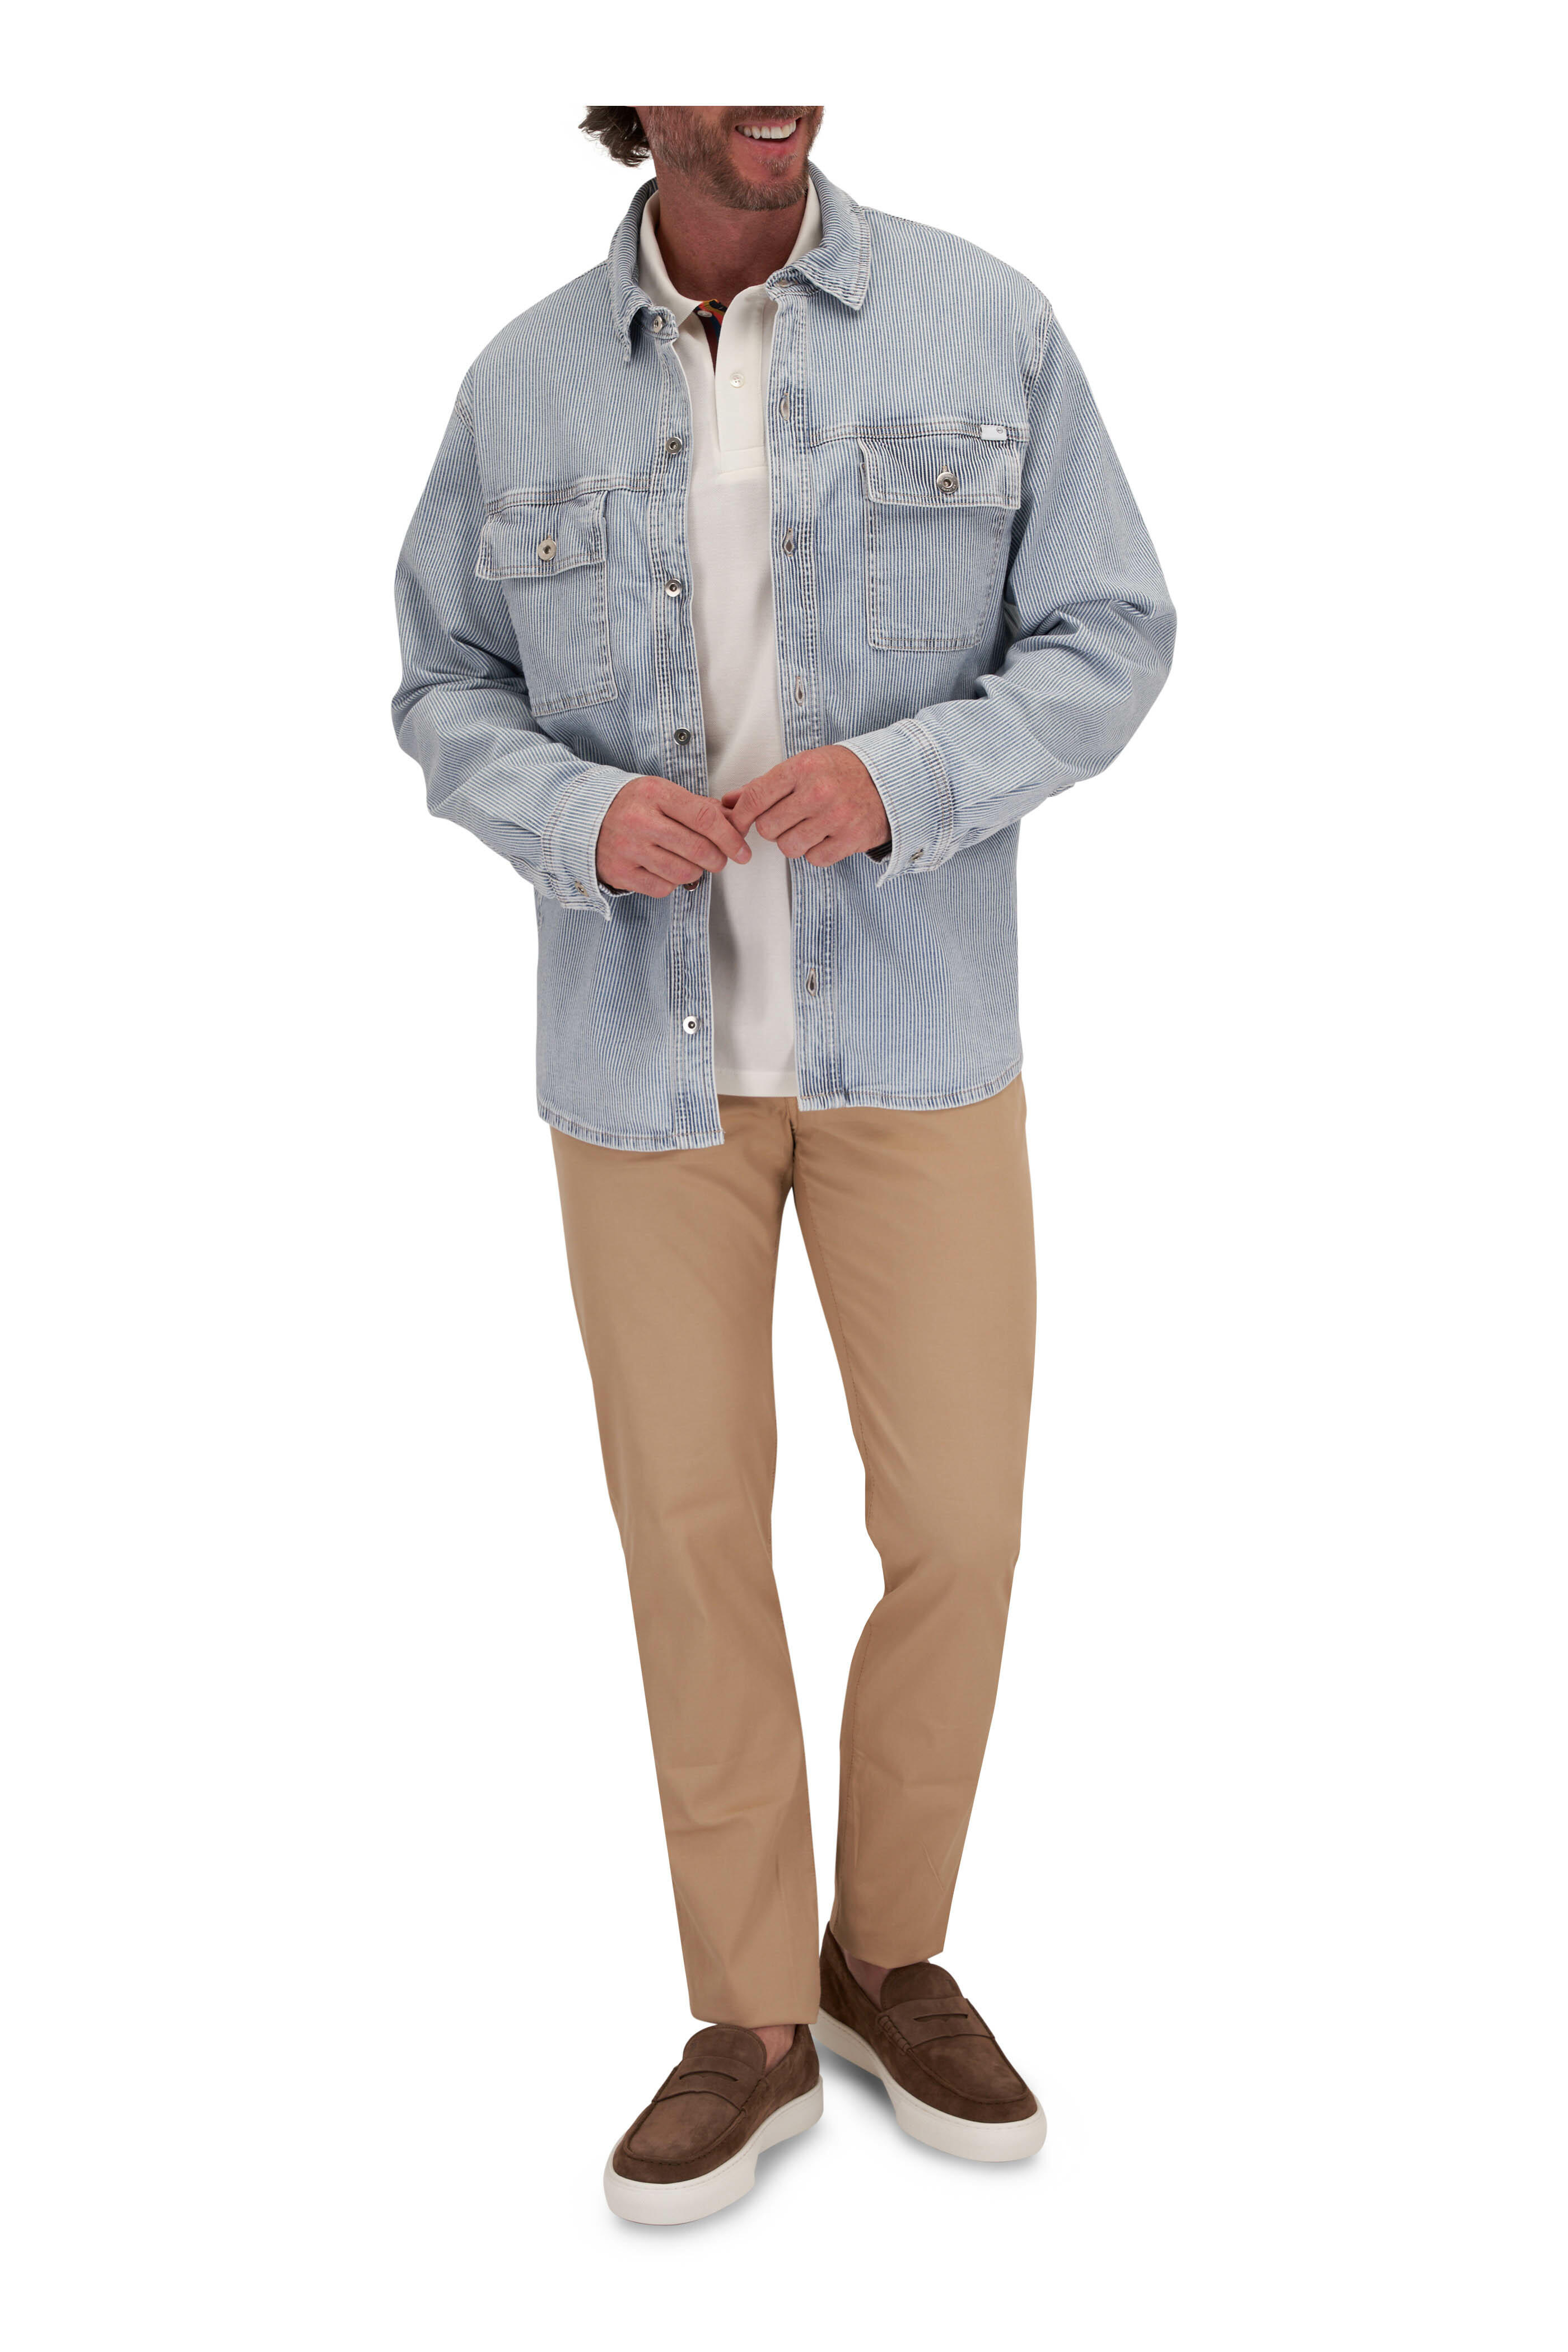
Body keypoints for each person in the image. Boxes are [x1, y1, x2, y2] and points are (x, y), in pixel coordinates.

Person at [392, 104, 1174, 2224]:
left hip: (919, 1044)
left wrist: (911, 775)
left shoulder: (985, 322)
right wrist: (571, 814)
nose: (779, 87)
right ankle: (748, 2015)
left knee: (963, 1526)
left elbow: (1109, 629)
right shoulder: (525, 379)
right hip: (639, 1068)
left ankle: (882, 1956)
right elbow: (443, 683)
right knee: (691, 1537)